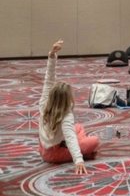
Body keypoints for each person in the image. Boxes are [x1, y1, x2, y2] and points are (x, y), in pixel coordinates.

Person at [38, 40, 99, 174]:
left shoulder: (44, 102)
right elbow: (70, 137)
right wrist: (79, 160)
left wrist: (52, 55)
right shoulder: (66, 115)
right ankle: (74, 152)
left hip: (43, 146)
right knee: (94, 141)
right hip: (53, 154)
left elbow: (49, 79)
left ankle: (73, 147)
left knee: (79, 127)